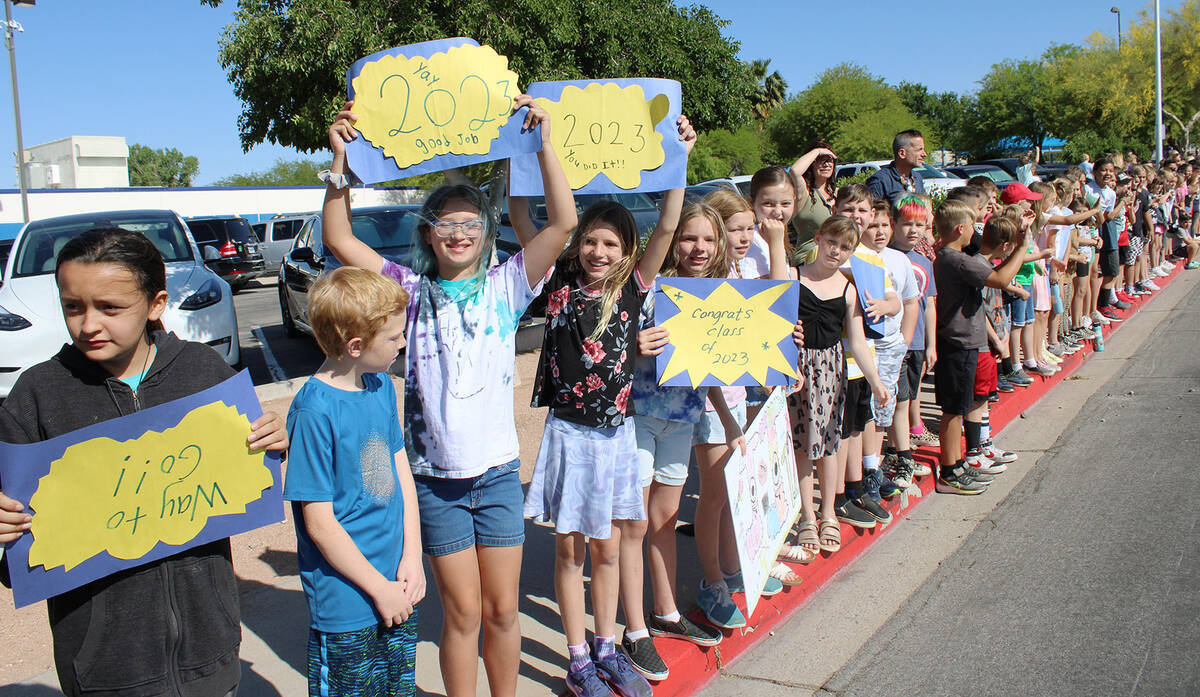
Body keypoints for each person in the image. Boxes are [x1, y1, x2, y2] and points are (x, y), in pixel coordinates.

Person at [320, 96, 575, 697]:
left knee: (503, 612)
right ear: (428, 235)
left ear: (486, 233)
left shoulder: (507, 286)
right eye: (447, 224)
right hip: (436, 481)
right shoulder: (406, 291)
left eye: (471, 223)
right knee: (461, 616)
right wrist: (339, 163)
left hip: (496, 477)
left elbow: (562, 225)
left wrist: (546, 143)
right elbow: (337, 237)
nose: (459, 233)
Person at [0, 227, 289, 697]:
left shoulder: (203, 374)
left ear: (156, 304)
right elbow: (20, 557)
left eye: (110, 308)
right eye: (73, 306)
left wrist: (274, 442)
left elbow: (251, 480)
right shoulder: (37, 396)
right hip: (104, 671)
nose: (88, 324)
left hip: (209, 656)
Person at [520, 116, 694, 696]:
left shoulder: (635, 288)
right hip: (569, 435)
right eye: (591, 239)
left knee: (611, 550)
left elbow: (669, 223)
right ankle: (576, 661)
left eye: (611, 243)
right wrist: (525, 154)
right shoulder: (557, 282)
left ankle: (606, 644)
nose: (598, 250)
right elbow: (526, 222)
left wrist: (679, 157)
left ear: (628, 252)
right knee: (570, 551)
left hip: (617, 434)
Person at [283, 267, 423, 697]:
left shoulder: (380, 385)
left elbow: (401, 474)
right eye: (395, 336)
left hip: (397, 583)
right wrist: (378, 589)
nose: (404, 342)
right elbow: (320, 524)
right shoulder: (313, 411)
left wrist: (413, 557)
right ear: (356, 345)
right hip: (347, 601)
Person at [765, 214, 888, 555]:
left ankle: (829, 512)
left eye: (845, 247)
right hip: (797, 369)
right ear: (818, 238)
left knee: (830, 444)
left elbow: (858, 343)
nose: (836, 251)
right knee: (803, 444)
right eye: (832, 242)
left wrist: (876, 382)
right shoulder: (794, 276)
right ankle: (807, 516)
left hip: (832, 370)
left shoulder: (849, 290)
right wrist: (776, 239)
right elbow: (775, 295)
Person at [932, 202, 1027, 494]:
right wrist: (1022, 245)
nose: (975, 232)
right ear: (961, 229)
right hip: (957, 343)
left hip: (967, 342)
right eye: (972, 226)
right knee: (953, 410)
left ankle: (957, 464)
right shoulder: (954, 260)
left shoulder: (957, 257)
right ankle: (949, 472)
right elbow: (999, 279)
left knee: (960, 407)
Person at [857, 200, 918, 510]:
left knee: (884, 406)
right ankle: (866, 469)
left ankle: (876, 464)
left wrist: (905, 342)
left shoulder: (898, 260)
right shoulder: (855, 259)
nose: (878, 231)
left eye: (884, 225)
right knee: (864, 406)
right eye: (872, 225)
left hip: (892, 344)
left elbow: (909, 302)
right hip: (864, 346)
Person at [883, 195, 937, 488]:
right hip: (894, 343)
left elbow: (929, 303)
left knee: (909, 396)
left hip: (917, 342)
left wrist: (931, 344)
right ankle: (897, 452)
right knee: (897, 399)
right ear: (895, 225)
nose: (913, 230)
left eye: (920, 225)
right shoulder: (888, 257)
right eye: (907, 224)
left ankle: (899, 446)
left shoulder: (923, 261)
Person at [789, 140, 838, 259]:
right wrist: (817, 151)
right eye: (820, 160)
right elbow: (794, 172)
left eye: (829, 160)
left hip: (836, 258)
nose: (826, 164)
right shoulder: (804, 191)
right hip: (807, 259)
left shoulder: (839, 193)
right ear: (811, 164)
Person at [866, 129, 926, 204]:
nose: (924, 154)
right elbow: (872, 213)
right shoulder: (881, 180)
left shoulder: (917, 178)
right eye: (919, 150)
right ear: (902, 153)